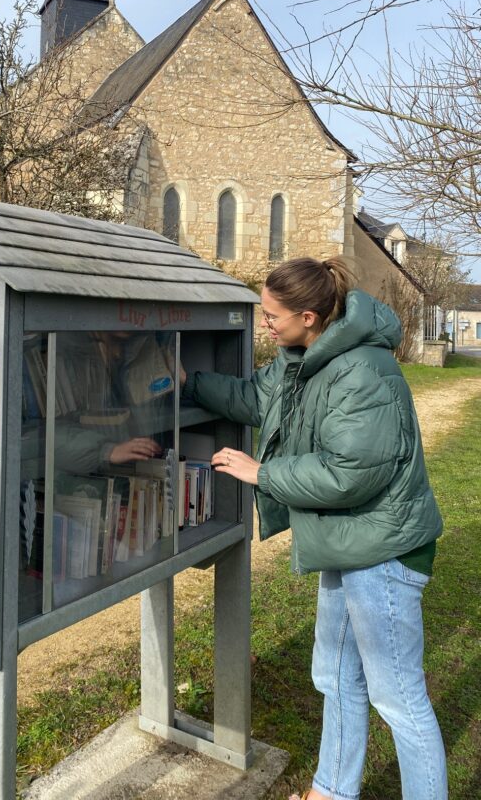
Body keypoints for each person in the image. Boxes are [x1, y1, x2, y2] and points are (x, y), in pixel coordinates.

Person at [181, 256, 446, 800]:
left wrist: (264, 472)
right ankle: (332, 789)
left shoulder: (365, 371)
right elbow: (255, 400)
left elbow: (352, 475)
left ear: (308, 315)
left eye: (271, 315)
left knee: (397, 697)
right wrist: (189, 381)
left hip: (385, 552)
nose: (263, 325)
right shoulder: (297, 359)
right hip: (344, 544)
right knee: (335, 678)